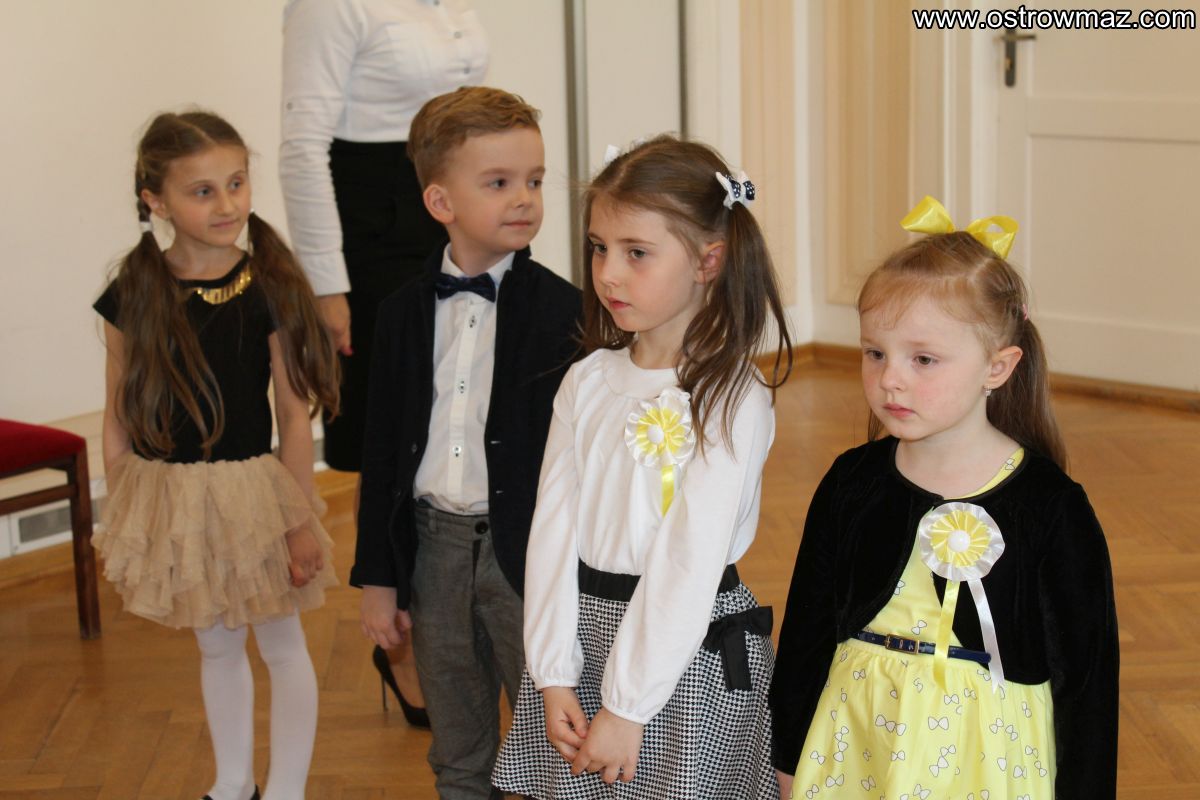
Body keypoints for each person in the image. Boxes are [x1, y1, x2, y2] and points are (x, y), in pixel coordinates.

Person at [769, 197, 1120, 799]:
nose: (890, 379)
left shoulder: (1050, 506)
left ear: (997, 367)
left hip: (988, 759)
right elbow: (805, 634)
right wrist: (788, 756)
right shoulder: (851, 481)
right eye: (875, 353)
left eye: (923, 359)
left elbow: (1087, 682)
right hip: (858, 742)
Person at [492, 135, 793, 799]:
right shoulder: (586, 380)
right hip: (584, 639)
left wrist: (627, 706)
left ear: (708, 261)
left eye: (636, 253)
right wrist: (552, 672)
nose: (608, 274)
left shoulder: (730, 395)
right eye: (599, 247)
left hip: (680, 654)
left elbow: (690, 558)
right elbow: (552, 532)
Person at [93, 111, 341, 800]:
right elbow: (115, 414)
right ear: (156, 199)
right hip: (170, 497)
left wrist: (298, 520)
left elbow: (293, 415)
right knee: (216, 644)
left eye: (236, 183)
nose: (227, 203)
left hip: (253, 498)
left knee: (281, 645)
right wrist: (126, 508)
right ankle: (232, 783)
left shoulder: (269, 287)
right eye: (203, 191)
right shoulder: (133, 291)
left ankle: (286, 790)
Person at [353, 86, 581, 799]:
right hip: (433, 554)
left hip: (529, 554)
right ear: (440, 201)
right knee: (457, 744)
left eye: (534, 180)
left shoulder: (568, 313)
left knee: (555, 738)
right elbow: (382, 453)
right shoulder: (399, 313)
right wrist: (379, 578)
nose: (524, 199)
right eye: (499, 183)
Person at [280, 0, 489, 724]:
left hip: (452, 209)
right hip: (372, 234)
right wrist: (325, 283)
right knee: (396, 447)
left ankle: (460, 626)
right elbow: (302, 146)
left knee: (468, 426)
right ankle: (398, 640)